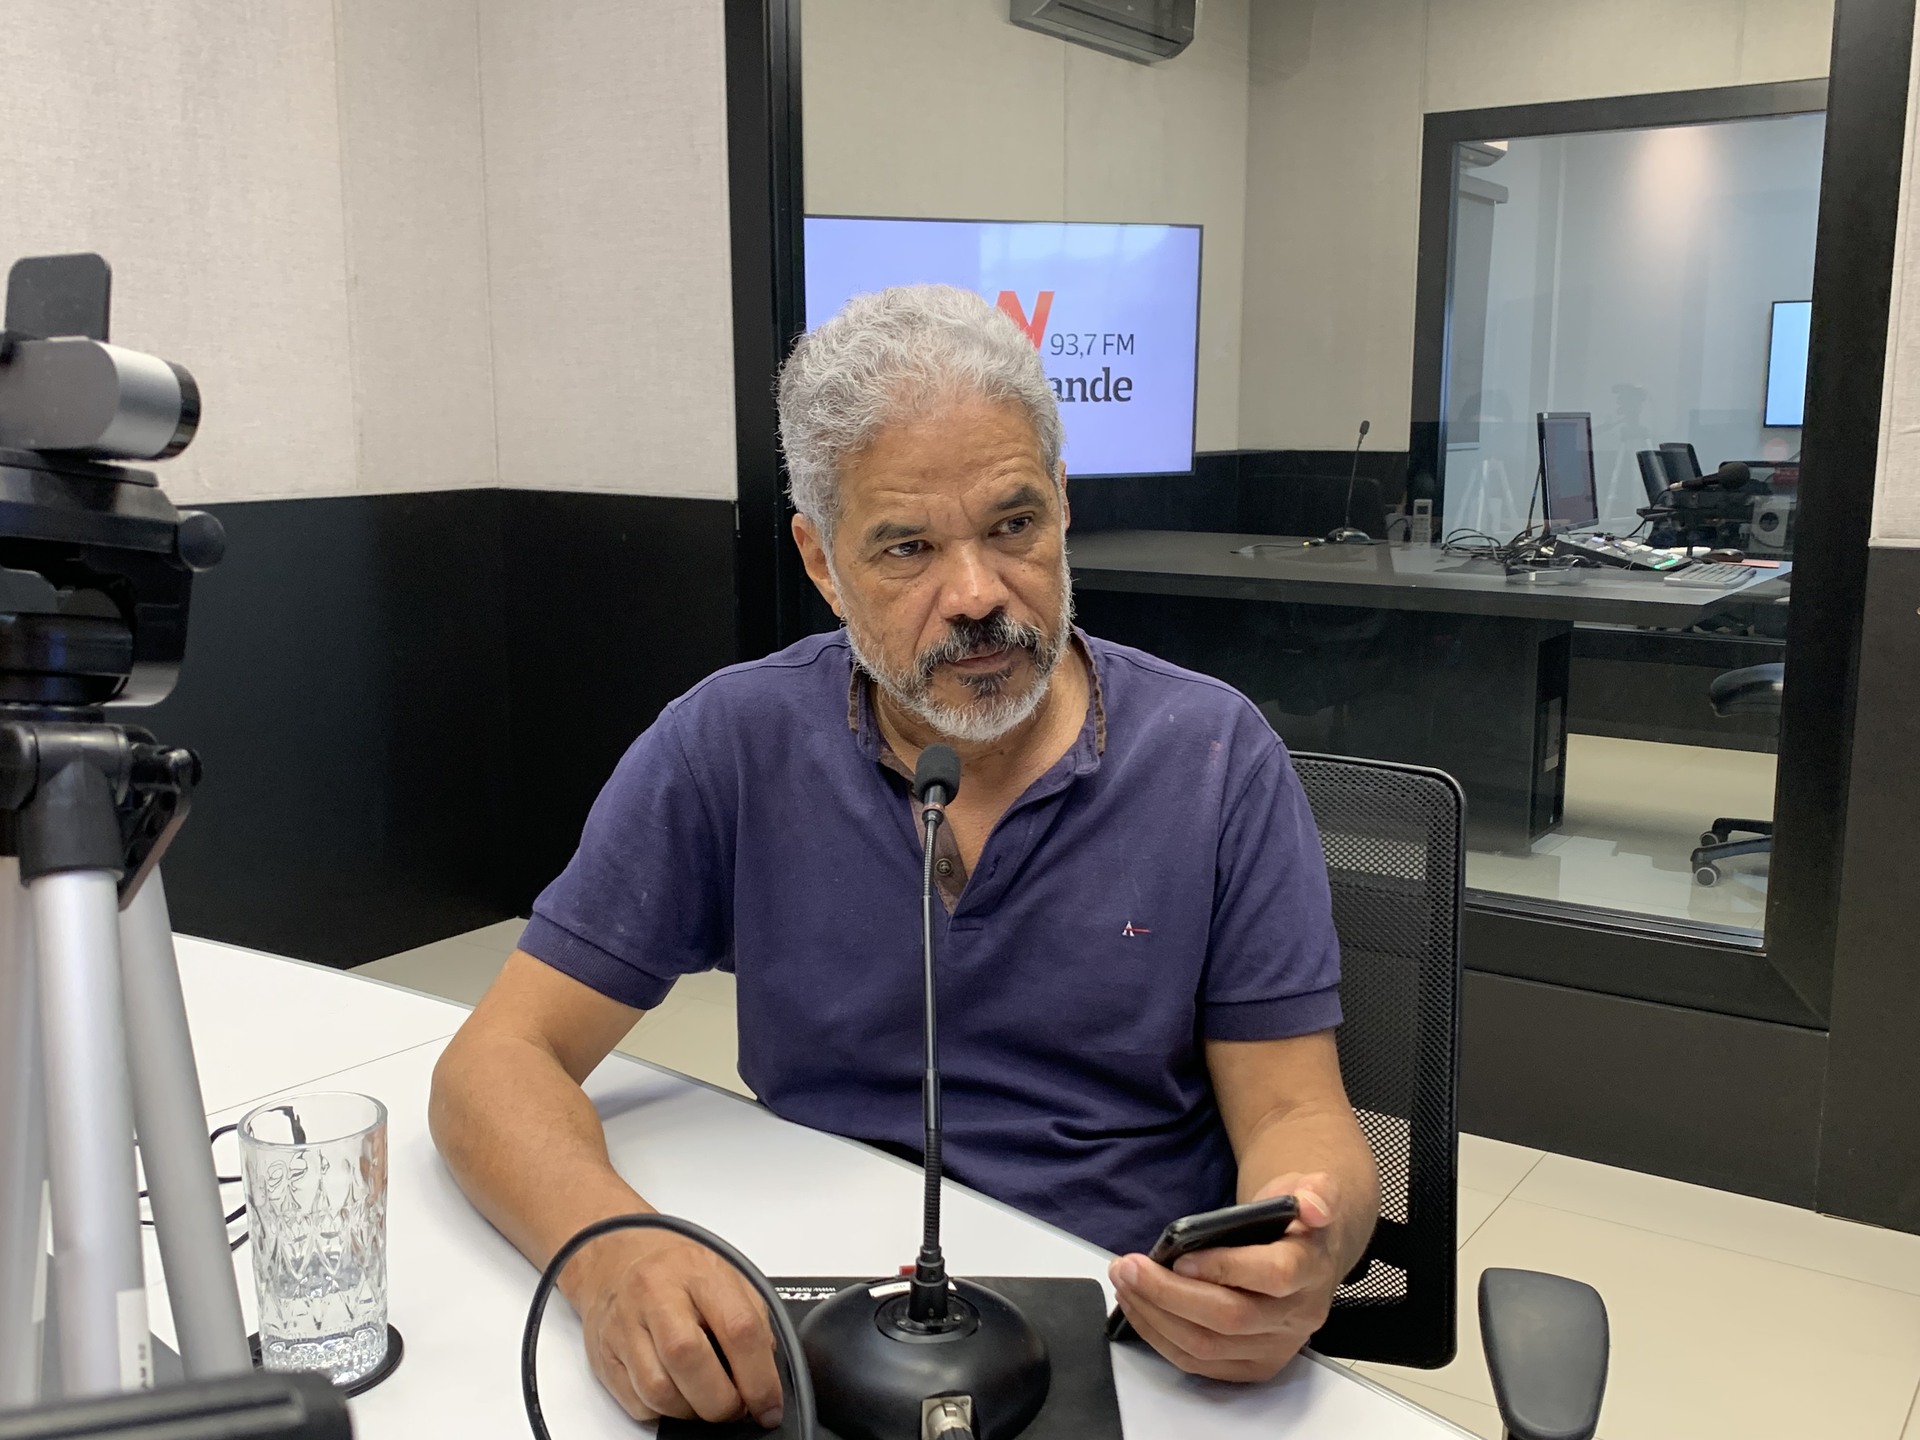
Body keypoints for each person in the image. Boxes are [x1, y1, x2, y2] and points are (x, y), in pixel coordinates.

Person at [429, 284, 1379, 1430]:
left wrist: (1299, 1250)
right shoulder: (732, 743)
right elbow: (496, 1063)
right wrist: (609, 1254)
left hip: (1125, 1334)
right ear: (822, 563)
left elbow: (1299, 1118)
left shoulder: (1216, 754)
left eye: (1013, 526)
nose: (977, 594)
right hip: (823, 1317)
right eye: (908, 548)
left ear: (1064, 508)